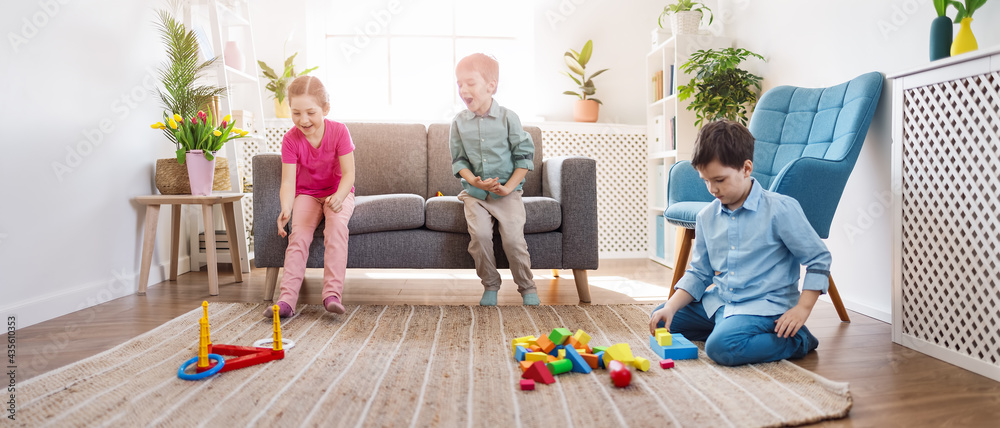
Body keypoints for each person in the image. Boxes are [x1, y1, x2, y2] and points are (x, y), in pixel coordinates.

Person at [648, 119, 829, 366]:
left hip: (764, 307)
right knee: (662, 318)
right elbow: (699, 273)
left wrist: (802, 309)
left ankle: (797, 340)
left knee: (721, 348)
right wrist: (670, 307)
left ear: (746, 168)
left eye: (719, 180)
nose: (712, 189)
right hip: (721, 302)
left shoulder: (780, 209)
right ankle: (730, 329)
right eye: (705, 180)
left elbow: (818, 260)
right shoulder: (706, 217)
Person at [450, 53, 539, 306]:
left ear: (491, 86)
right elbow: (459, 162)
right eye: (459, 84)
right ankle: (490, 285)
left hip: (507, 193)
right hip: (475, 195)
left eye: (470, 82)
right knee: (479, 236)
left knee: (513, 239)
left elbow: (523, 158)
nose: (463, 89)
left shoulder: (508, 118)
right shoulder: (458, 123)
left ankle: (527, 287)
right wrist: (475, 183)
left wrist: (508, 188)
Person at [269, 76, 356, 317]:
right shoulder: (290, 139)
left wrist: (339, 196)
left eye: (310, 112)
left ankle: (332, 295)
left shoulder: (339, 131)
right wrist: (286, 208)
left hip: (337, 192)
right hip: (307, 194)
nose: (303, 120)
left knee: (336, 229)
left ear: (325, 109)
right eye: (296, 113)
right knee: (298, 237)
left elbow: (349, 174)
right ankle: (286, 300)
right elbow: (288, 181)